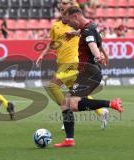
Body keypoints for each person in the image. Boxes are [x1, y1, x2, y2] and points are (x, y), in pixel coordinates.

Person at [54, 6, 122, 148]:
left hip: (89, 73)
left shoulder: (87, 30)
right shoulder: (90, 26)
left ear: (75, 17)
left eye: (70, 22)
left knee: (68, 104)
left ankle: (110, 103)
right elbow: (87, 34)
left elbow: (92, 44)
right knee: (68, 104)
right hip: (88, 73)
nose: (69, 25)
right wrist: (74, 33)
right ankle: (69, 140)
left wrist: (98, 56)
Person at [36, 0, 109, 130]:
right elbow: (52, 43)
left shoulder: (76, 24)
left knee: (53, 85)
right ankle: (101, 112)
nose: (63, 12)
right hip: (62, 63)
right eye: (61, 10)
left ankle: (67, 113)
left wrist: (102, 54)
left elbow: (92, 39)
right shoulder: (55, 26)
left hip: (74, 62)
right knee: (77, 94)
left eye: (65, 9)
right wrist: (43, 54)